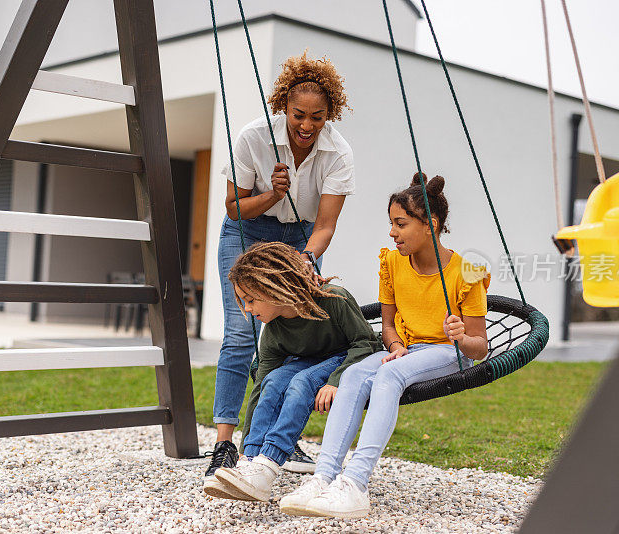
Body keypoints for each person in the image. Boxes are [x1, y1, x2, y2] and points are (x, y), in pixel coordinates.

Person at [280, 173, 491, 518]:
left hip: (448, 352)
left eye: (400, 223)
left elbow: (479, 348)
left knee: (388, 377)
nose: (392, 232)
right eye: (391, 223)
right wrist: (393, 344)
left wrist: (460, 335)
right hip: (405, 351)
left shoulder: (466, 272)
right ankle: (323, 478)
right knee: (351, 376)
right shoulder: (392, 263)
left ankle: (355, 485)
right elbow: (389, 323)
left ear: (430, 225)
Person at [206, 52, 355, 482]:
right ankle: (224, 444)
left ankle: (278, 441)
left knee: (296, 336)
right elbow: (234, 209)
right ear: (283, 108)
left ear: (330, 113)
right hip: (248, 232)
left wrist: (305, 261)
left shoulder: (339, 153)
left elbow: (325, 225)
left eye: (317, 117)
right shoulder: (254, 137)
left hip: (301, 241)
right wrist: (272, 194)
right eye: (297, 116)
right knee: (241, 334)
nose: (307, 126)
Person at [204, 242, 381, 500]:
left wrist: (335, 381)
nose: (248, 309)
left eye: (251, 300)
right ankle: (249, 464)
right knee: (274, 381)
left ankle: (267, 467)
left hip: (345, 359)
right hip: (310, 362)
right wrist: (244, 450)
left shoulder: (334, 299)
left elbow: (366, 343)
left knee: (301, 382)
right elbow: (260, 388)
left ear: (274, 290)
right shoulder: (273, 329)